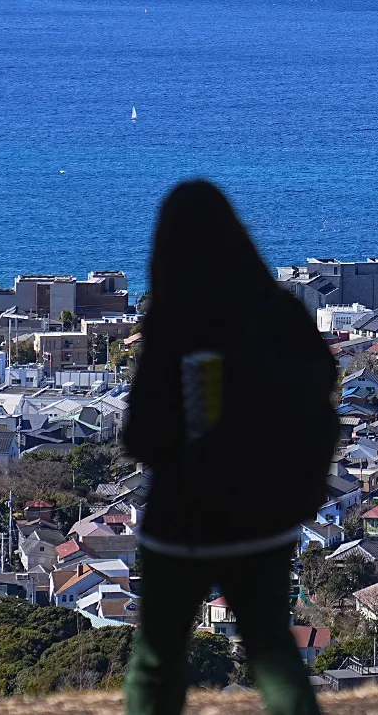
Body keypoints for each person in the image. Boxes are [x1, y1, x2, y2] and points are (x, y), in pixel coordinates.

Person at [122, 180, 338, 715]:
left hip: (181, 521)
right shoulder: (280, 312)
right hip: (267, 518)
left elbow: (141, 434)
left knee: (157, 661)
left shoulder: (175, 321)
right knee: (273, 651)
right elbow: (323, 392)